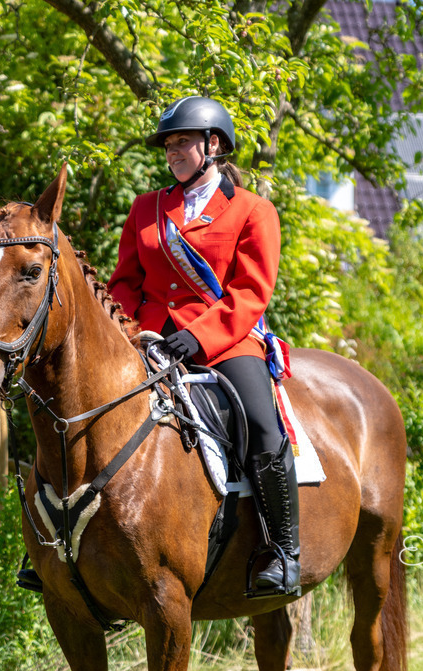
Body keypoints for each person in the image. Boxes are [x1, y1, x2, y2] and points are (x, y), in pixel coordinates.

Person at [107, 95, 300, 595]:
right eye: (169, 144)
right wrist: (127, 329)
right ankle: (58, 544)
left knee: (260, 421)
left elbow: (250, 293)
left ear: (213, 145)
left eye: (183, 142)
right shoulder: (147, 209)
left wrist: (196, 337)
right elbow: (125, 282)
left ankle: (283, 550)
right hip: (147, 338)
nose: (172, 152)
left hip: (223, 341)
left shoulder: (254, 211)